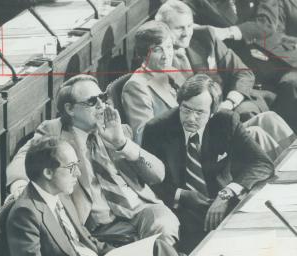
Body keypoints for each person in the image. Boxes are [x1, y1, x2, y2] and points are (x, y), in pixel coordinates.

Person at [7, 74, 180, 247]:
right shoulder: (54, 130)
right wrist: (20, 185)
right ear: (70, 109)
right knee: (158, 255)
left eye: (103, 97)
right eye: (91, 101)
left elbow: (158, 175)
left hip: (141, 209)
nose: (101, 105)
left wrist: (121, 143)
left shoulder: (115, 128)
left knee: (164, 226)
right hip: (100, 225)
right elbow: (22, 160)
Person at [6, 137, 182, 256]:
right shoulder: (25, 213)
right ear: (48, 173)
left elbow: (86, 239)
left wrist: (123, 255)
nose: (78, 173)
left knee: (156, 248)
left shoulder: (61, 195)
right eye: (71, 167)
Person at [142, 74, 274, 252]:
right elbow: (149, 183)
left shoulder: (226, 121)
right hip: (183, 213)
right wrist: (182, 195)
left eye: (199, 113)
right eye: (186, 109)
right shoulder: (156, 130)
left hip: (224, 205)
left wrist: (227, 193)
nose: (191, 118)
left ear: (212, 112)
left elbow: (262, 163)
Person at [155, 0, 296, 159]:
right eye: (179, 28)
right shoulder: (159, 61)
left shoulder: (204, 38)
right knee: (252, 127)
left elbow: (243, 72)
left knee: (271, 120)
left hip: (230, 102)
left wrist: (229, 102)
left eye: (189, 26)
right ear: (163, 30)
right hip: (203, 124)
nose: (187, 33)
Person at [185, 0, 297, 132]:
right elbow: (176, 16)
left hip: (285, 58)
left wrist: (227, 32)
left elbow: (266, 23)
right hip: (250, 71)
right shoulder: (200, 3)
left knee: (292, 84)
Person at [122, 20, 186, 144]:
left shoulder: (172, 71)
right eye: (157, 50)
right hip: (171, 148)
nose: (166, 55)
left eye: (168, 47)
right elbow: (145, 137)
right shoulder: (135, 86)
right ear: (144, 54)